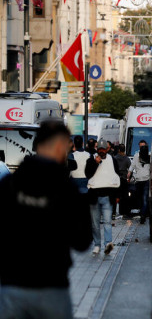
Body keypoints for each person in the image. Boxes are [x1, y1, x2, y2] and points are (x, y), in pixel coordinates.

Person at [0, 121, 92, 319]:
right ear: (60, 146)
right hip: (52, 288)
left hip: (11, 287)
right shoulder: (67, 190)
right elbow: (83, 242)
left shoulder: (8, 184)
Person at [85, 138, 121, 255]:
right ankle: (97, 245)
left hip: (108, 196)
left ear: (107, 149)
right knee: (95, 224)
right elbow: (88, 174)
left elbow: (117, 177)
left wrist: (117, 195)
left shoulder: (113, 160)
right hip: (94, 196)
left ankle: (108, 243)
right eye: (99, 149)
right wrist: (95, 163)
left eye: (103, 149)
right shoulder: (91, 159)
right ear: (97, 149)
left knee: (107, 222)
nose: (101, 152)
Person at [128, 140, 151, 224]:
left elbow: (132, 166)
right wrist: (129, 173)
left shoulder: (148, 155)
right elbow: (132, 166)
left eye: (142, 146)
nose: (141, 148)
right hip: (139, 180)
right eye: (141, 146)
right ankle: (143, 214)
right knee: (142, 199)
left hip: (145, 180)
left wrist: (129, 173)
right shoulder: (140, 156)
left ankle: (143, 215)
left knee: (143, 198)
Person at [114, 144, 132, 217]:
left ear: (118, 150)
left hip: (116, 178)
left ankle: (115, 211)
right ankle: (125, 211)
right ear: (124, 150)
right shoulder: (127, 159)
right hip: (124, 179)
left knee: (117, 195)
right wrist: (129, 178)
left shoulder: (115, 158)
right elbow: (130, 168)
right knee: (125, 196)